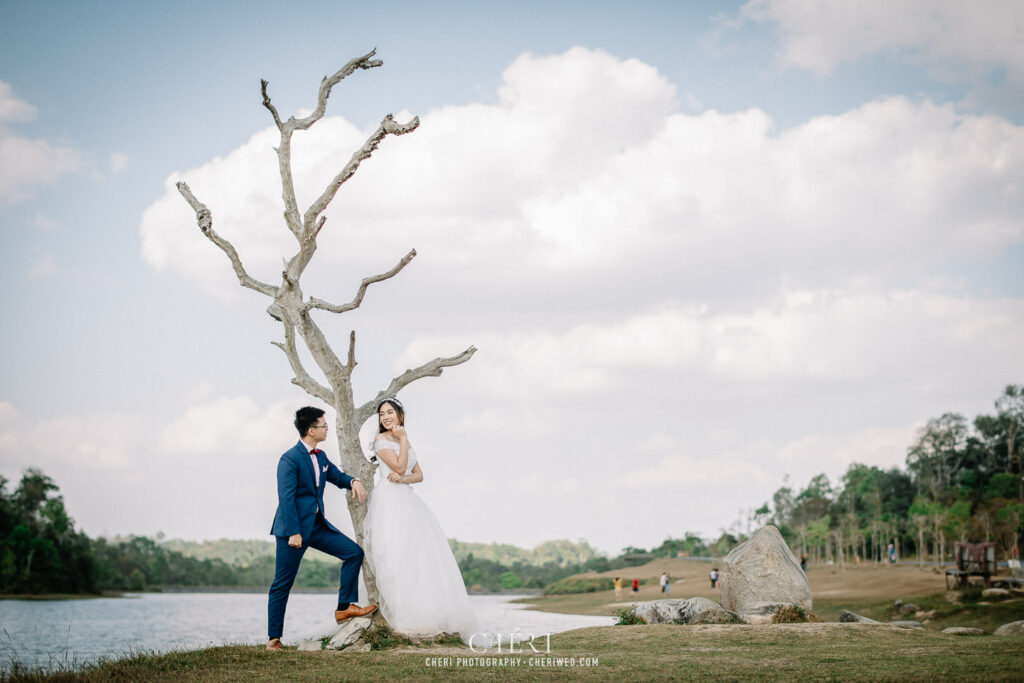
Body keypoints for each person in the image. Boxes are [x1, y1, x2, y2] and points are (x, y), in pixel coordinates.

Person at [363, 397, 476, 638]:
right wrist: (402, 441)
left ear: (400, 415)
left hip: (407, 498)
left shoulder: (404, 440)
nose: (385, 417)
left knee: (418, 555)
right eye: (382, 414)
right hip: (390, 502)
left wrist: (403, 477)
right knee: (395, 554)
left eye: (390, 412)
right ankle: (403, 616)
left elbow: (418, 474)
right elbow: (400, 467)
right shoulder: (381, 440)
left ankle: (428, 611)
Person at [267, 407, 376, 651]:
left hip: (316, 526)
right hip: (292, 530)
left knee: (353, 553)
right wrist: (294, 532)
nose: (327, 429)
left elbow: (337, 476)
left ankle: (344, 606)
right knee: (282, 583)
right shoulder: (289, 459)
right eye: (324, 426)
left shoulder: (322, 457)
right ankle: (274, 638)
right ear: (311, 430)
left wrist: (353, 481)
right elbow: (285, 498)